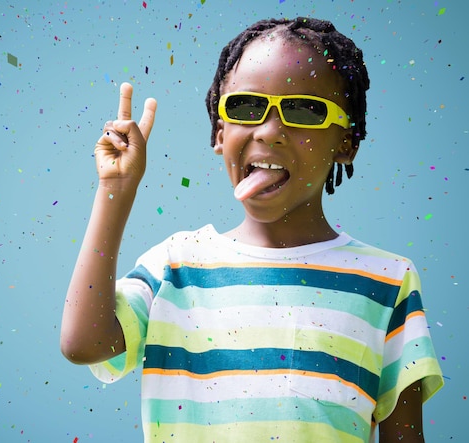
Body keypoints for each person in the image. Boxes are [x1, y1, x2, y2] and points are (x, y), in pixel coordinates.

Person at [60, 17, 443, 443]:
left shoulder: (388, 282)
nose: (269, 131)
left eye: (304, 110)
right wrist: (115, 190)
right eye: (246, 107)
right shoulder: (174, 267)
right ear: (219, 133)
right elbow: (84, 344)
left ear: (346, 142)